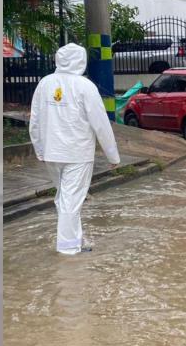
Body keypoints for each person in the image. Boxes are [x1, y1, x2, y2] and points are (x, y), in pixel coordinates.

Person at [29, 43, 122, 255]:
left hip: (51, 152)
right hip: (77, 153)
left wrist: (39, 149)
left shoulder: (44, 84)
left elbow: (34, 120)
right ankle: (68, 249)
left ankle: (76, 240)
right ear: (81, 61)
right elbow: (100, 123)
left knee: (64, 198)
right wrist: (112, 155)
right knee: (71, 199)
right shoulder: (85, 86)